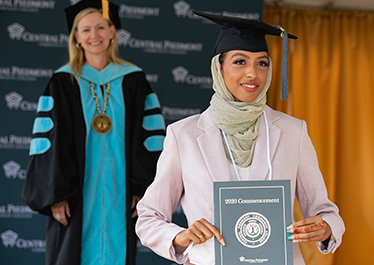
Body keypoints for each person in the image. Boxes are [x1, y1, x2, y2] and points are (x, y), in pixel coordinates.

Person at [135, 10, 345, 265]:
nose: (252, 74)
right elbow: (148, 218)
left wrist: (325, 228)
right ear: (218, 68)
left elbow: (326, 213)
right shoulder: (184, 135)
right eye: (240, 62)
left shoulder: (293, 131)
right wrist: (181, 235)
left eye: (262, 63)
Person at [21, 0, 165, 264]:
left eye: (100, 27)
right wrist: (56, 195)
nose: (94, 35)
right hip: (75, 196)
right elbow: (47, 143)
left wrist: (142, 187)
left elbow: (150, 139)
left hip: (120, 194)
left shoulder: (134, 80)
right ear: (76, 37)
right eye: (85, 29)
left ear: (112, 31)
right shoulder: (62, 82)